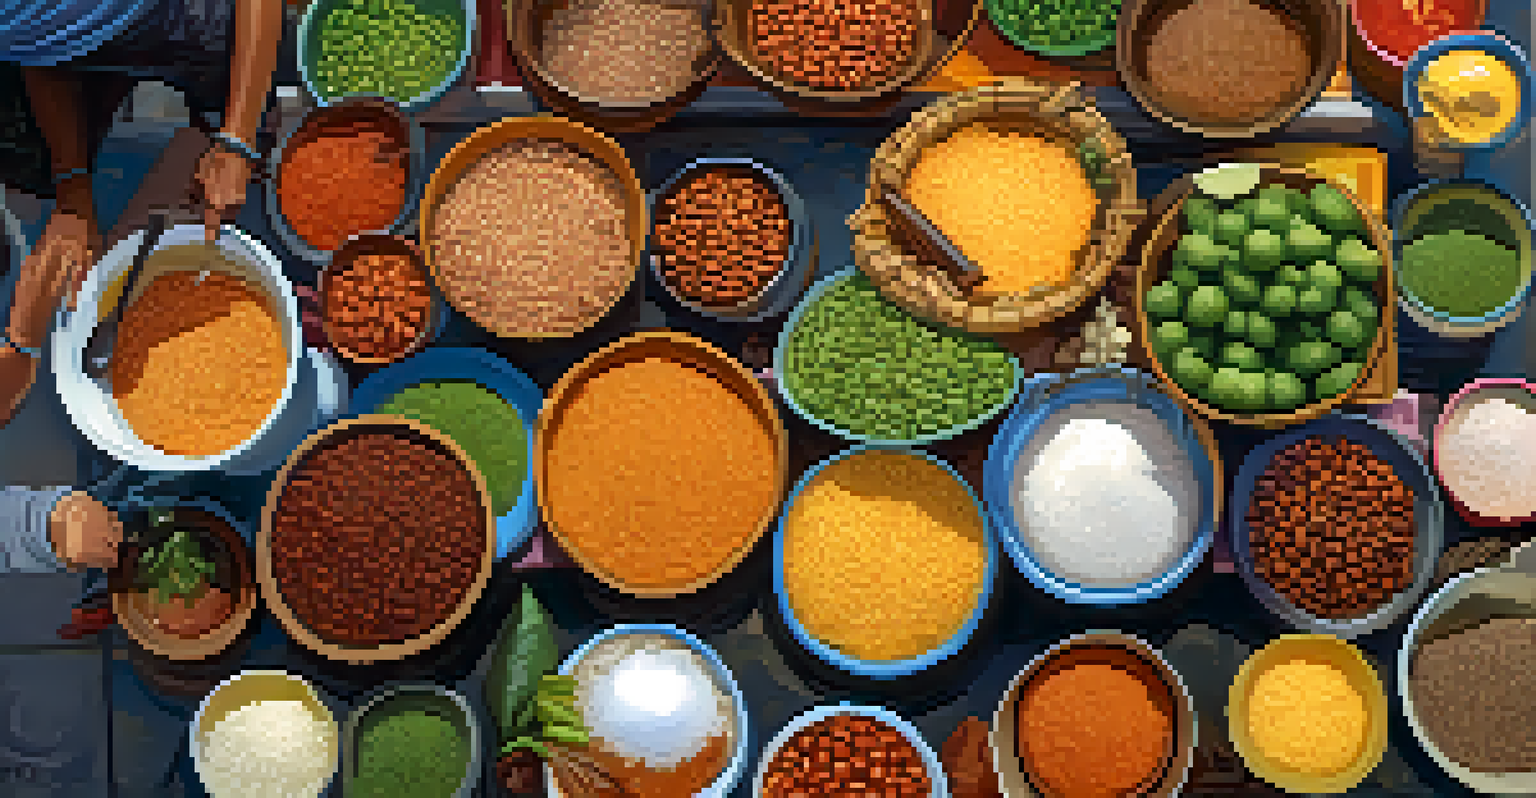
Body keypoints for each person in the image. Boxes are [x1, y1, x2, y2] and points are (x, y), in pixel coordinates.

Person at [0, 0, 284, 429]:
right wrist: (73, 189)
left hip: (171, 13)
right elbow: (37, 49)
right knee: (31, 163)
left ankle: (225, 124)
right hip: (75, 46)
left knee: (261, 79)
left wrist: (237, 136)